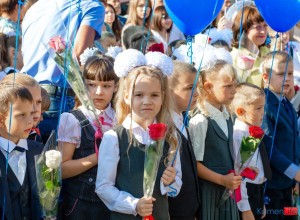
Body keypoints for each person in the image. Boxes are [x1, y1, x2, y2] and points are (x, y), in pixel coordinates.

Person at [95, 49, 182, 219]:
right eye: (139, 95)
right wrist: (134, 204)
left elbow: (175, 188)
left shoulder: (170, 137)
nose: (147, 101)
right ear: (127, 96)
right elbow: (104, 187)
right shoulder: (114, 138)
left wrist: (171, 181)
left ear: (163, 97)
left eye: (154, 95)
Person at [21, 0, 105, 143]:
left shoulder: (35, 7)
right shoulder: (92, 5)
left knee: (33, 161)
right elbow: (79, 57)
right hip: (57, 99)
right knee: (56, 162)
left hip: (26, 94)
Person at [58, 55, 118, 219]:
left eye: (106, 86)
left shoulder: (120, 118)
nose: (99, 92)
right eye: (92, 85)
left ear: (115, 86)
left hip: (113, 204)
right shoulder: (73, 119)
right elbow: (62, 169)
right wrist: (98, 156)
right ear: (83, 85)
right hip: (81, 205)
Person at [188, 60, 241, 220]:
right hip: (210, 193)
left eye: (235, 85)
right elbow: (194, 165)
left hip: (228, 191)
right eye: (227, 86)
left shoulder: (228, 116)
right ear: (209, 87)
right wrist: (221, 179)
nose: (234, 91)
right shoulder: (200, 120)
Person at [261, 51, 300, 220]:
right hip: (272, 186)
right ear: (265, 76)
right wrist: (294, 172)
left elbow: (295, 142)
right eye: (280, 74)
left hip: (289, 186)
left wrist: (296, 178)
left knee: (290, 215)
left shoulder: (287, 104)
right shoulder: (263, 104)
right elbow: (268, 145)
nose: (287, 79)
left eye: (290, 74)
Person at [0, 82, 43, 219]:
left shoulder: (39, 150)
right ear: (1, 119)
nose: (30, 121)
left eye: (31, 113)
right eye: (21, 115)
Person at [230, 82, 272, 220]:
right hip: (247, 193)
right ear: (241, 111)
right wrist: (245, 208)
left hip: (257, 192)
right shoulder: (240, 135)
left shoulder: (251, 132)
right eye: (258, 108)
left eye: (263, 107)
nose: (263, 112)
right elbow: (239, 174)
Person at [168, 60, 200, 220]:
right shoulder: (167, 127)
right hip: (175, 211)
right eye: (189, 88)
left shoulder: (180, 120)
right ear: (169, 90)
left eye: (196, 88)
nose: (196, 94)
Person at [231, 5, 270, 87]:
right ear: (244, 29)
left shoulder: (267, 52)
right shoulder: (236, 56)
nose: (263, 31)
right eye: (257, 27)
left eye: (265, 26)